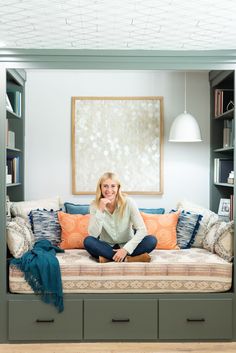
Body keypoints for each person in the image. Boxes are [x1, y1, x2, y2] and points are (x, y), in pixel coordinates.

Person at [84, 172, 157, 263]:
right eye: (105, 186)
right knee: (88, 241)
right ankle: (128, 259)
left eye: (113, 186)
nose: (109, 190)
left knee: (152, 240)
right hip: (106, 246)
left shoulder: (129, 202)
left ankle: (108, 258)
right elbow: (93, 234)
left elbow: (142, 230)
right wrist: (101, 210)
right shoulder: (94, 205)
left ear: (118, 188)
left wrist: (125, 250)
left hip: (127, 244)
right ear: (100, 188)